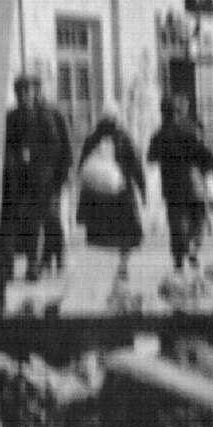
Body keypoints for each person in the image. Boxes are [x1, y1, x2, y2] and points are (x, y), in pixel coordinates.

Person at [0, 69, 74, 279]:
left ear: (35, 92)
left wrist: (61, 177)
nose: (23, 96)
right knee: (18, 222)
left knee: (44, 220)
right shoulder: (11, 117)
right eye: (19, 91)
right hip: (19, 180)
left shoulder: (49, 115)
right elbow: (5, 147)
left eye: (27, 91)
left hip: (45, 180)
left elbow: (61, 148)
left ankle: (41, 262)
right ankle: (16, 265)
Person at [74, 108, 146, 303]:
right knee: (126, 233)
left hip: (96, 199)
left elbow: (83, 168)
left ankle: (106, 269)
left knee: (99, 235)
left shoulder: (92, 139)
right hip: (121, 195)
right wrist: (142, 188)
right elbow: (136, 164)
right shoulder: (124, 137)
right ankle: (122, 266)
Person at [149, 93, 213, 272]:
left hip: (171, 186)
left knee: (176, 224)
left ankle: (179, 260)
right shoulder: (191, 130)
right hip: (193, 183)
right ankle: (191, 247)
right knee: (197, 220)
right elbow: (207, 155)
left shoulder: (160, 134)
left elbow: (151, 157)